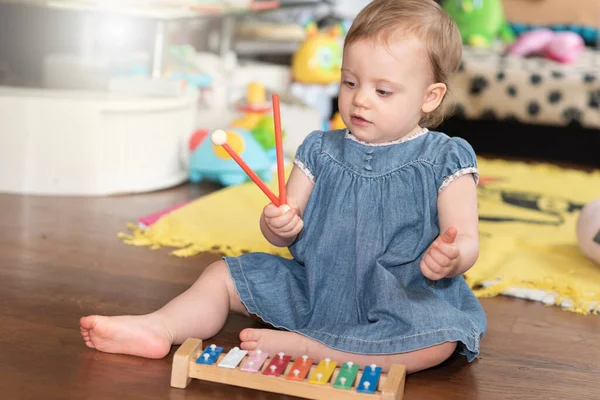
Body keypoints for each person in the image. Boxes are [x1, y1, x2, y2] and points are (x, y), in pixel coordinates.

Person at [80, 0, 486, 374]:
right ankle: (159, 327)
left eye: (382, 91)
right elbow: (280, 222)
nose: (360, 100)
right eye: (349, 83)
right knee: (221, 274)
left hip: (401, 295)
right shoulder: (319, 149)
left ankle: (315, 349)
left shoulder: (447, 159)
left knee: (439, 340)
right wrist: (278, 222)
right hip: (314, 286)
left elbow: (466, 239)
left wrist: (452, 257)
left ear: (430, 97)